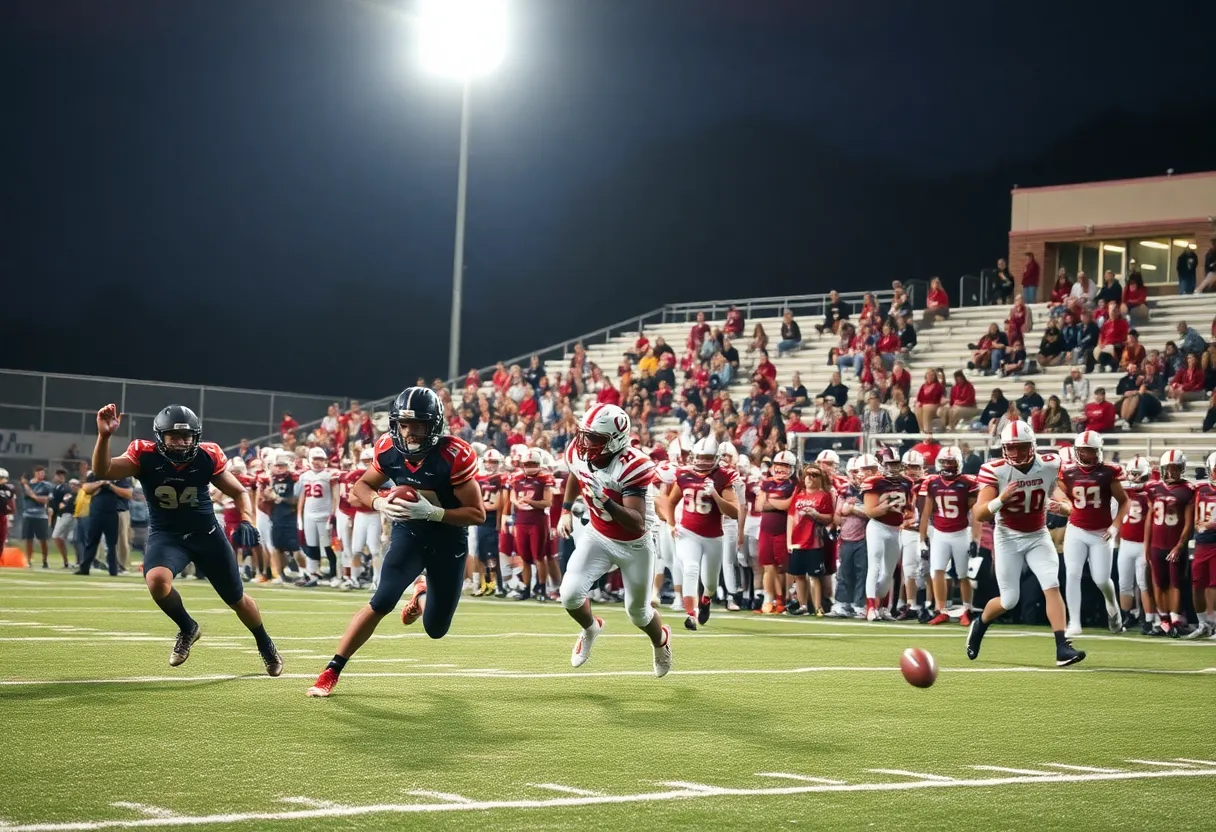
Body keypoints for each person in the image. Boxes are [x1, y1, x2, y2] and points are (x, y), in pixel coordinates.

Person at [306, 387, 485, 697]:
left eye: (417, 425)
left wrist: (434, 512)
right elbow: (359, 488)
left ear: (434, 425)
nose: (409, 432)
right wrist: (379, 503)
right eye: (404, 424)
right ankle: (331, 670)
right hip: (410, 533)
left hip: (448, 539)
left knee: (436, 629)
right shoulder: (389, 449)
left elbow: (477, 514)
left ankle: (422, 593)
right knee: (382, 600)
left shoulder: (453, 455)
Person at [89, 403, 282, 674]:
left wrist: (248, 519)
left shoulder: (206, 456)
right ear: (161, 437)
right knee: (156, 582)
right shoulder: (143, 455)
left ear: (196, 437)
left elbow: (239, 492)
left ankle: (265, 644)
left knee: (236, 599)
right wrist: (104, 436)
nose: (181, 443)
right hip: (167, 536)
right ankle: (188, 627)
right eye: (174, 437)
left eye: (187, 437)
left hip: (207, 535)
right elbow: (103, 471)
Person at [553, 404, 672, 675]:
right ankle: (591, 628)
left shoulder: (634, 465)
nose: (585, 443)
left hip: (635, 543)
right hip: (598, 535)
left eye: (594, 438)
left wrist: (604, 499)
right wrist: (566, 510)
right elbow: (575, 471)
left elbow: (636, 521)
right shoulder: (578, 450)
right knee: (570, 596)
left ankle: (661, 640)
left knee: (638, 613)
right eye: (585, 435)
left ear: (615, 440)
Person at [967, 421, 1084, 667]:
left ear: (1032, 446)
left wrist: (1062, 507)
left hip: (1037, 534)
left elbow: (1064, 500)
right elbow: (979, 514)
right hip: (1008, 536)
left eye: (1021, 447)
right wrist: (1001, 499)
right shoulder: (995, 470)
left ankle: (1062, 646)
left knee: (1052, 584)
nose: (1017, 453)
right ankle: (981, 623)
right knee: (1009, 600)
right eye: (1011, 448)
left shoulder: (1050, 464)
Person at [1053, 431, 1127, 637]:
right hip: (1076, 529)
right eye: (1083, 452)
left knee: (1102, 580)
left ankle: (1112, 605)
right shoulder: (1067, 473)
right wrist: (1061, 503)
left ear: (1099, 452)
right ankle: (1074, 622)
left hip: (1101, 533)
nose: (1087, 456)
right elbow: (1057, 491)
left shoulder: (1108, 472)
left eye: (1091, 452)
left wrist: (1115, 526)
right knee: (1072, 573)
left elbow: (1124, 501)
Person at [666, 437, 739, 629]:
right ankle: (691, 614)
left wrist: (715, 494)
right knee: (690, 568)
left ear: (715, 457)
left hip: (713, 536)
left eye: (708, 458)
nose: (703, 461)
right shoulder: (683, 474)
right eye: (700, 457)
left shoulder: (723, 476)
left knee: (711, 584)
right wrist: (671, 523)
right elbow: (671, 501)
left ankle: (706, 600)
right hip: (687, 531)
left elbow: (734, 512)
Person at [918, 446, 978, 625]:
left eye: (950, 462)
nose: (947, 465)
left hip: (961, 533)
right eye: (944, 461)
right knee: (937, 571)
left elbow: (975, 514)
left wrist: (975, 539)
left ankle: (967, 609)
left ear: (958, 463)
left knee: (963, 574)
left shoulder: (967, 482)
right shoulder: (932, 482)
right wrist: (922, 540)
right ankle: (941, 609)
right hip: (940, 533)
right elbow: (926, 512)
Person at [1142, 450, 1195, 638]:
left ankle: (1175, 619)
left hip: (1173, 543)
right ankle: (1163, 620)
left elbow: (1189, 523)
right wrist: (1146, 545)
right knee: (1158, 583)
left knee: (1175, 583)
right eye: (1168, 469)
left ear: (1182, 469)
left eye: (1175, 469)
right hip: (1157, 544)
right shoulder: (1153, 488)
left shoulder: (1188, 489)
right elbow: (1149, 517)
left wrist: (1180, 545)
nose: (1171, 473)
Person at [861, 446, 915, 621]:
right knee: (874, 567)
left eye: (896, 464)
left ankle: (882, 606)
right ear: (881, 464)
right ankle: (870, 607)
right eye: (890, 464)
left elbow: (908, 507)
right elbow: (870, 512)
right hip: (878, 527)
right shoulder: (874, 482)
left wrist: (908, 512)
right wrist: (884, 507)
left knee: (888, 572)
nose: (893, 468)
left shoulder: (907, 482)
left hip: (895, 529)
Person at [785, 466, 835, 616]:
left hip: (814, 541)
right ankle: (803, 605)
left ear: (820, 478)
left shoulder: (824, 496)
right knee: (798, 575)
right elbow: (791, 518)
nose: (810, 478)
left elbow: (829, 518)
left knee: (814, 576)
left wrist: (816, 515)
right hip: (797, 541)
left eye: (814, 475)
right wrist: (788, 541)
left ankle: (818, 606)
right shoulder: (798, 496)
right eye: (807, 474)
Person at [1116, 457, 1155, 634]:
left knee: (1143, 584)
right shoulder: (1124, 491)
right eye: (1132, 473)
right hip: (1125, 543)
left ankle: (1149, 619)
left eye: (1138, 474)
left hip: (1142, 545)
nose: (1134, 477)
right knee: (1124, 583)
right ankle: (1128, 615)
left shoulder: (1150, 491)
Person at [755, 451, 796, 613]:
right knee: (768, 566)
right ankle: (768, 598)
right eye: (779, 465)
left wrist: (770, 501)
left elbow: (788, 505)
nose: (781, 469)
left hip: (784, 529)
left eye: (785, 466)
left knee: (784, 567)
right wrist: (777, 502)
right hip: (766, 529)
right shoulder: (767, 482)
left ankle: (784, 598)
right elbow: (759, 506)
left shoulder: (794, 484)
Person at [77, 467, 133, 576]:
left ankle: (114, 570)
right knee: (92, 541)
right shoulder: (95, 474)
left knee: (112, 543)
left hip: (113, 512)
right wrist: (100, 483)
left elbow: (127, 493)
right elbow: (86, 488)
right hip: (96, 513)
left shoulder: (119, 475)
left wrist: (111, 486)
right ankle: (85, 568)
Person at [1187, 452, 1216, 638]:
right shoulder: (1200, 490)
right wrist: (1199, 524)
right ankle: (1203, 623)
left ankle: (1214, 623)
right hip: (1201, 543)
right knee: (1197, 584)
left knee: (1214, 584)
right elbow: (1196, 513)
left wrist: (1210, 524)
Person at [19, 467, 53, 568]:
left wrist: (34, 496)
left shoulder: (47, 485)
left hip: (41, 516)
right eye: (39, 473)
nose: (41, 475)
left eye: (43, 473)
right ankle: (28, 560)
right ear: (35, 473)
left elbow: (46, 500)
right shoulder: (27, 484)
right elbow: (27, 495)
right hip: (27, 515)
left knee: (43, 539)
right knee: (28, 539)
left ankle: (45, 560)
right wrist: (36, 497)